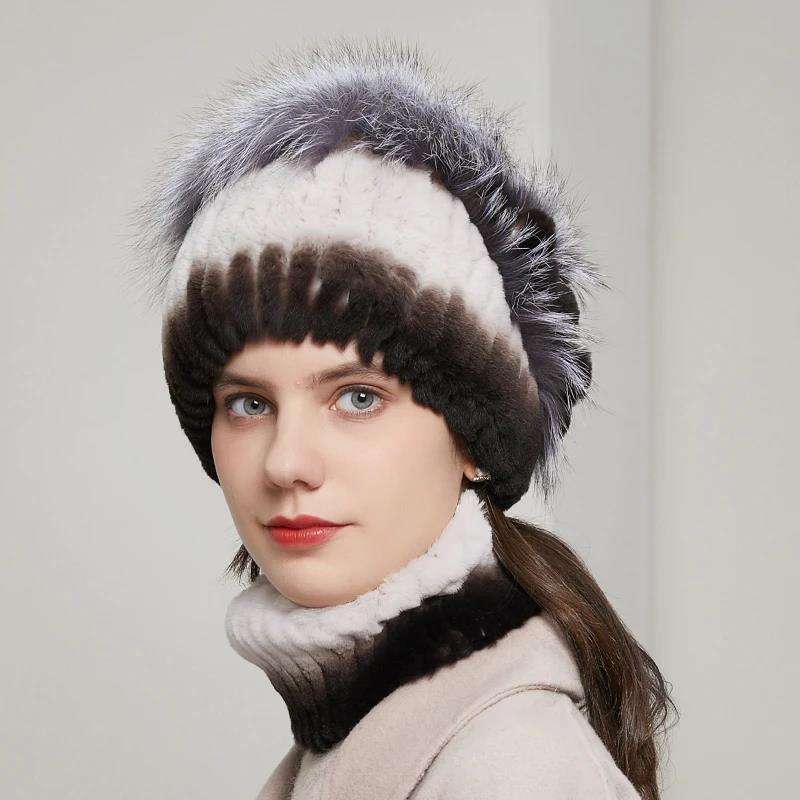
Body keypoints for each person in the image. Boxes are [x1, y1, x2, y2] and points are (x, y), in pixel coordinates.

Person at [128, 36, 676, 800]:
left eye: (358, 397)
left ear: (474, 438)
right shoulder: (359, 737)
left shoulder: (512, 770)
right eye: (249, 403)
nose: (285, 463)